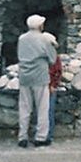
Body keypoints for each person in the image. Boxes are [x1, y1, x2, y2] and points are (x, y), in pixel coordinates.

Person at [17, 14, 57, 148]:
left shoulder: (21, 39)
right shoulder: (44, 39)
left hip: (24, 77)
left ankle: (22, 136)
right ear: (40, 25)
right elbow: (52, 59)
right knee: (42, 108)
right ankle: (40, 137)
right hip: (40, 77)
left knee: (24, 107)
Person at [46, 34, 62, 143]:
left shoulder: (55, 57)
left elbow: (58, 72)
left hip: (48, 86)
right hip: (42, 86)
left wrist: (53, 85)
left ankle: (48, 135)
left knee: (48, 112)